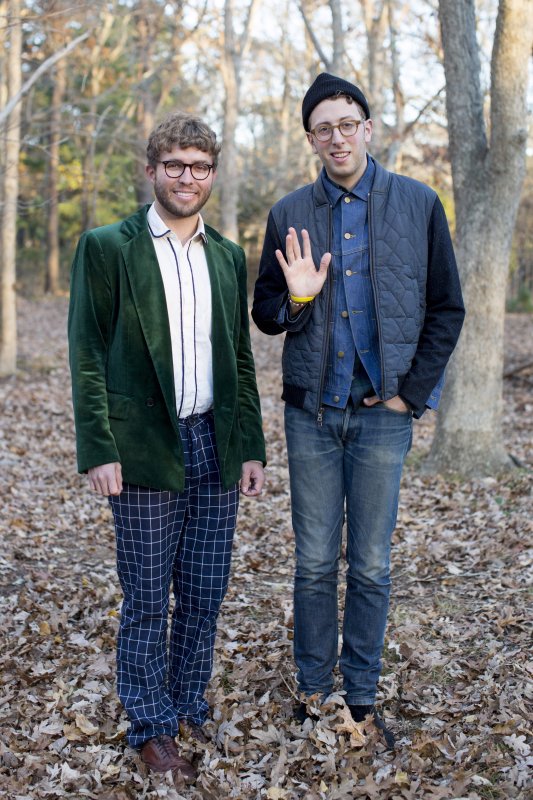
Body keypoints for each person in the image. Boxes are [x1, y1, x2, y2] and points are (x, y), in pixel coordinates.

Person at [252, 73, 465, 748]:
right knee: (314, 562)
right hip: (311, 414)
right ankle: (314, 691)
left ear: (367, 129)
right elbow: (265, 312)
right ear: (311, 139)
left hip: (382, 414)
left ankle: (362, 698)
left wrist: (412, 393)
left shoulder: (418, 202)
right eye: (323, 128)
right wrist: (300, 298)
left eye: (348, 124)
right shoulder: (289, 212)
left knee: (370, 563)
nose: (337, 137)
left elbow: (445, 308)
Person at [68, 111, 266, 784]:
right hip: (144, 445)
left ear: (213, 174)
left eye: (201, 166)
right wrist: (99, 447)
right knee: (150, 599)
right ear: (151, 171)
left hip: (214, 440)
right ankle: (152, 725)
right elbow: (87, 352)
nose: (189, 178)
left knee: (205, 592)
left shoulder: (228, 256)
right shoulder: (108, 247)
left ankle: (187, 701)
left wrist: (251, 447)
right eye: (175, 165)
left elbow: (238, 358)